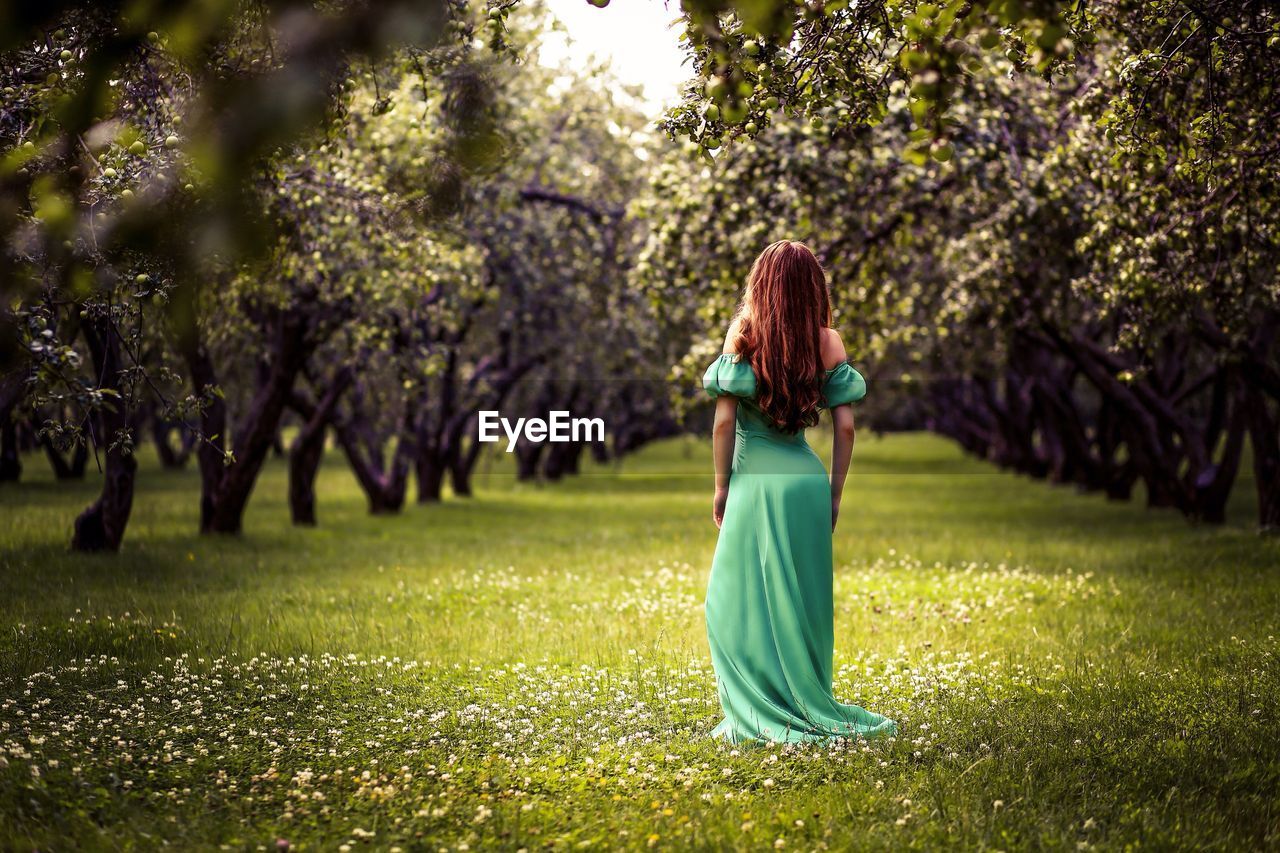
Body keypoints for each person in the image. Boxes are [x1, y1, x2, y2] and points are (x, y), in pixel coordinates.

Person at [702, 239, 897, 745]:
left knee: (732, 602)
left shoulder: (742, 335)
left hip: (755, 482)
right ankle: (803, 696)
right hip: (805, 483)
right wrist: (833, 495)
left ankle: (759, 706)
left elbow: (724, 424)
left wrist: (721, 488)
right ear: (814, 288)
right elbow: (846, 429)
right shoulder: (827, 341)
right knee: (802, 603)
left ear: (759, 284)